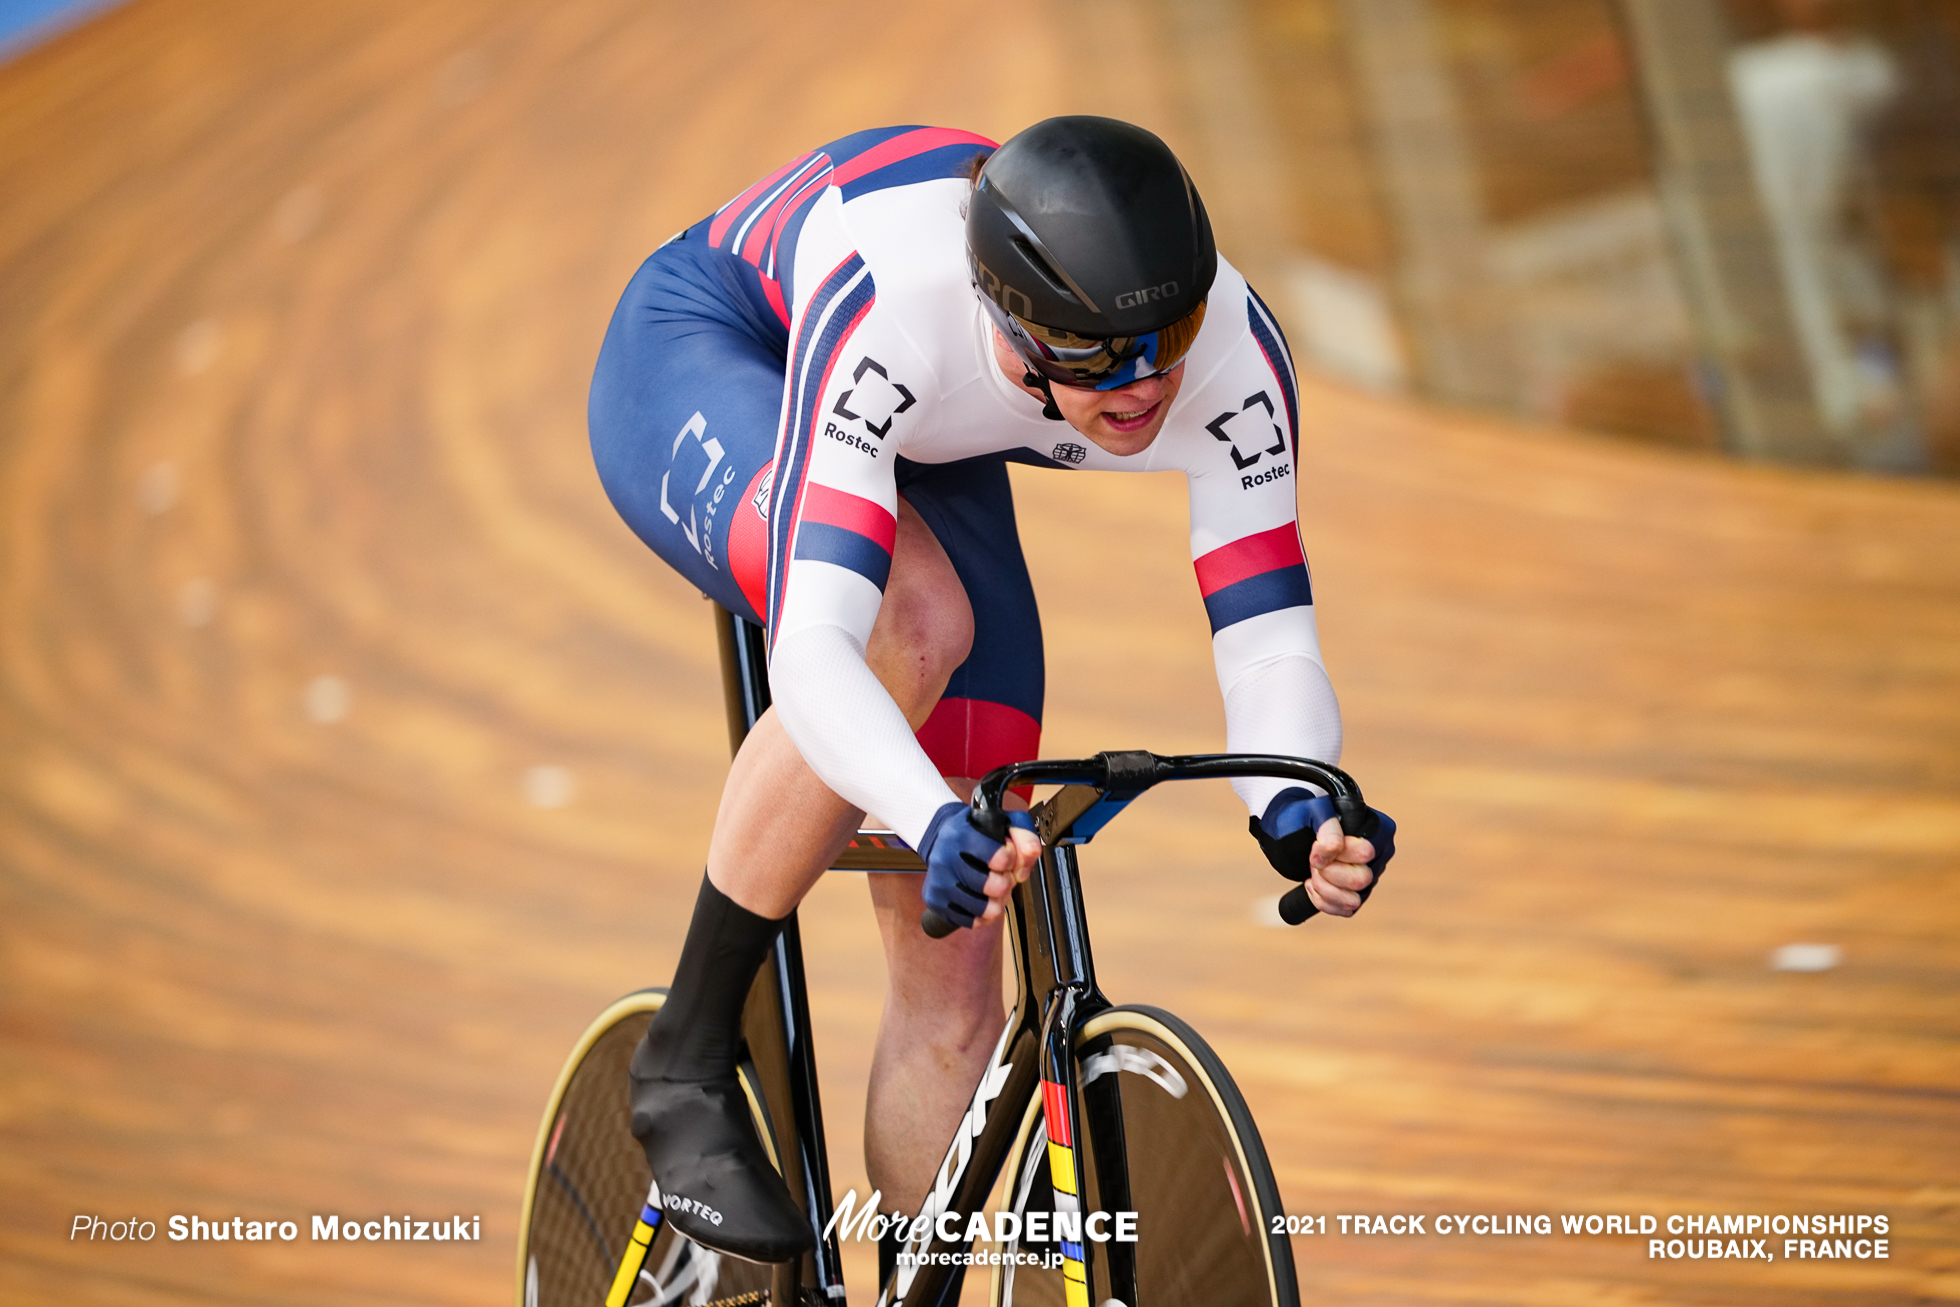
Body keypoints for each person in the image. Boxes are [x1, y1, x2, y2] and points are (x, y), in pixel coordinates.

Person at [586, 117, 1395, 1268]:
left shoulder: (1228, 348)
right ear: (1013, 331)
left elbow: (1268, 635)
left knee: (958, 973)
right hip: (716, 348)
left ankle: (920, 1283)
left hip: (930, 434)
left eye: (1163, 342)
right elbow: (814, 651)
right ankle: (684, 1053)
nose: (1142, 386)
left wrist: (1294, 802)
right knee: (915, 619)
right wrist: (924, 816)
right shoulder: (897, 307)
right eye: (1093, 353)